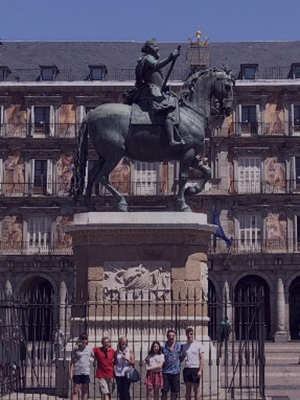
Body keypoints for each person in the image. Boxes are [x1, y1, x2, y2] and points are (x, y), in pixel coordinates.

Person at [134, 38, 184, 148]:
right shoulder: (147, 58)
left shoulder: (148, 58)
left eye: (157, 46)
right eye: (154, 46)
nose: (157, 48)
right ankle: (171, 140)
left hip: (157, 89)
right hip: (152, 91)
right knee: (169, 109)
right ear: (149, 49)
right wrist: (171, 57)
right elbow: (157, 65)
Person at [181, 328, 205, 400]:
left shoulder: (199, 345)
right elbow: (182, 356)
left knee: (196, 390)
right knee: (188, 390)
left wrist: (200, 370)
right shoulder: (184, 346)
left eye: (191, 334)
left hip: (195, 368)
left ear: (194, 334)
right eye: (188, 334)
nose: (189, 335)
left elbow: (202, 358)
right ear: (186, 335)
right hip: (187, 368)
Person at [69, 333, 94, 400]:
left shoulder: (90, 349)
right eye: (83, 339)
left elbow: (96, 356)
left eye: (86, 339)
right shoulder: (76, 349)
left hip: (85, 372)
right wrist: (71, 372)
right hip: (77, 372)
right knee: (75, 390)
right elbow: (72, 362)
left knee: (84, 391)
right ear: (80, 339)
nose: (84, 340)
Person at [161, 329, 182, 400]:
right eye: (170, 336)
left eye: (173, 336)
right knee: (164, 391)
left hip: (175, 372)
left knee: (174, 392)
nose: (171, 337)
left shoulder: (179, 346)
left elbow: (182, 356)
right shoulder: (163, 347)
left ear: (175, 336)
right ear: (167, 336)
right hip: (166, 372)